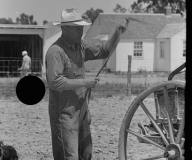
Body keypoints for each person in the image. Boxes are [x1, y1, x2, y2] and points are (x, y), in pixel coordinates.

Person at [45, 8, 129, 160]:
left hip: (81, 108)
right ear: (64, 29)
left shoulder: (81, 46)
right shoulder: (55, 52)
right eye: (77, 28)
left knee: (86, 153)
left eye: (81, 28)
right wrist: (85, 82)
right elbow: (55, 82)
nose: (81, 31)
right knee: (69, 155)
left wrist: (117, 33)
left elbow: (105, 50)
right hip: (64, 112)